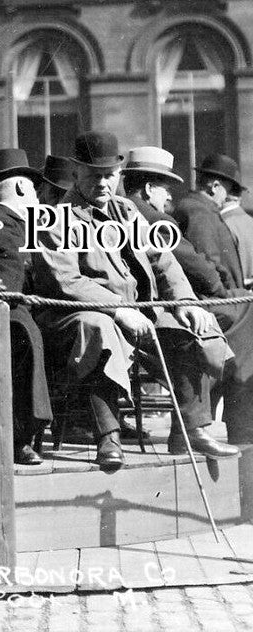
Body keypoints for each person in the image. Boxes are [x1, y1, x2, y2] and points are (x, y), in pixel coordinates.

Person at [31, 132, 236, 470]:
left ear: (119, 173)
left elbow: (164, 261)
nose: (102, 183)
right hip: (75, 316)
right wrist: (119, 310)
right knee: (98, 328)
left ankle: (192, 429)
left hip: (139, 312)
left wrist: (185, 302)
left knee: (190, 328)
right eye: (94, 175)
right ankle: (108, 436)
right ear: (77, 172)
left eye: (109, 175)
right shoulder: (55, 220)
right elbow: (66, 281)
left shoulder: (128, 213)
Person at [168, 151, 253, 447]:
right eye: (227, 192)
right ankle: (242, 429)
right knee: (241, 360)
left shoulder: (196, 210)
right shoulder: (200, 212)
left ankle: (236, 423)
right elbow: (207, 264)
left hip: (210, 302)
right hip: (211, 303)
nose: (226, 199)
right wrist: (231, 294)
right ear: (215, 186)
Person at [0, 149, 53, 464]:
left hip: (29, 307)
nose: (36, 195)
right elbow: (3, 277)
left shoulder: (16, 223)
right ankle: (19, 436)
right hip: (10, 312)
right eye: (34, 188)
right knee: (23, 331)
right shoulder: (3, 222)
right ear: (23, 188)